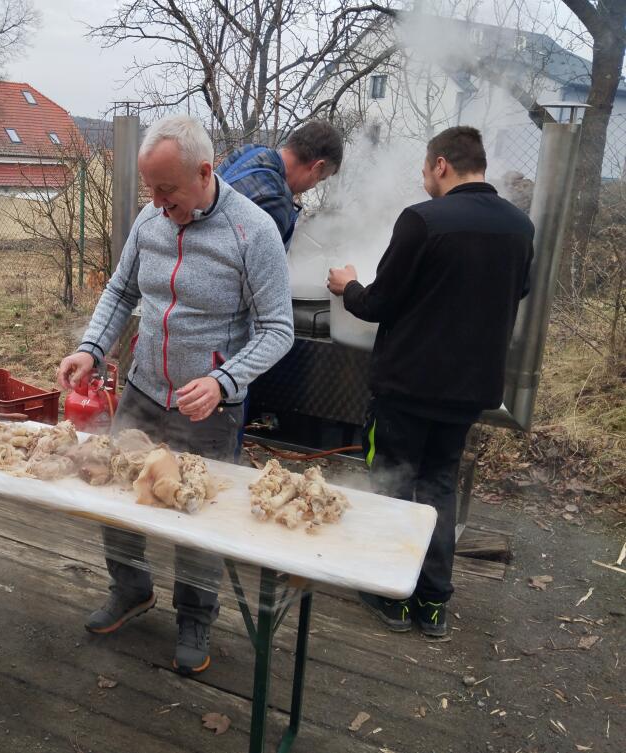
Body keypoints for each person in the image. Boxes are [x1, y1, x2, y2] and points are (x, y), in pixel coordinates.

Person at [57, 115, 294, 674]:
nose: (158, 203)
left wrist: (223, 381)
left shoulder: (253, 232)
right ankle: (130, 589)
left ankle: (195, 615)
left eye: (167, 190)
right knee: (117, 493)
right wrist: (92, 348)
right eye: (151, 189)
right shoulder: (151, 220)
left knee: (196, 513)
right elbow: (121, 290)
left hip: (208, 407)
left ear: (205, 173)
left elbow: (278, 329)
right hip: (143, 390)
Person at [327, 126, 534, 638]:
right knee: (439, 485)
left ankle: (391, 595)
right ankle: (434, 603)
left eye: (424, 168)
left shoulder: (422, 220)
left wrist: (347, 285)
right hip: (469, 391)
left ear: (441, 164)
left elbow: (378, 303)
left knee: (392, 482)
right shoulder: (519, 226)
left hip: (407, 386)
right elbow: (518, 289)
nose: (424, 178)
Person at [215, 120, 343, 246]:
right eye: (320, 179)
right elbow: (267, 260)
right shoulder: (277, 202)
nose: (313, 186)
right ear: (317, 167)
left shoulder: (250, 152)